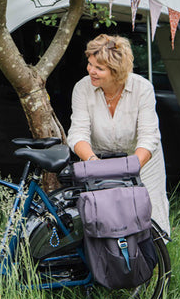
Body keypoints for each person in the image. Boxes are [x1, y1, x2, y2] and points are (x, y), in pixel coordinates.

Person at [67, 33, 170, 235]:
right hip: (100, 159)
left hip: (142, 160)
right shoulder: (82, 88)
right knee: (107, 216)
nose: (91, 71)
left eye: (99, 68)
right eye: (90, 64)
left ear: (116, 71)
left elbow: (149, 136)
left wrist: (131, 169)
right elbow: (77, 134)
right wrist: (94, 164)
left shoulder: (143, 88)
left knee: (149, 212)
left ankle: (152, 263)